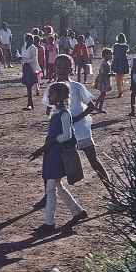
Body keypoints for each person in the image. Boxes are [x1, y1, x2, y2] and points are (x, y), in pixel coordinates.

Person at [34, 54, 109, 209]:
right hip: (62, 134)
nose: (61, 70)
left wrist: (75, 118)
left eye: (65, 67)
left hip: (81, 130)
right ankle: (47, 196)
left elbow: (91, 106)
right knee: (50, 163)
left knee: (94, 161)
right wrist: (56, 120)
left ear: (71, 68)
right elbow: (49, 110)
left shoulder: (76, 86)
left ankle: (113, 191)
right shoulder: (51, 88)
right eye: (58, 66)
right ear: (55, 68)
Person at [28, 82, 87, 235]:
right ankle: (77, 211)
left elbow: (67, 135)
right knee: (57, 186)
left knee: (51, 188)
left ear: (60, 96)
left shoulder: (65, 114)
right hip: (52, 153)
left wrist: (51, 143)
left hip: (58, 154)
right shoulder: (57, 113)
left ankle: (49, 223)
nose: (49, 96)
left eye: (52, 94)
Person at [20, 33, 41, 111]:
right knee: (28, 86)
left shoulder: (33, 48)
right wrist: (21, 59)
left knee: (29, 85)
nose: (30, 40)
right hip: (25, 67)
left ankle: (30, 103)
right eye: (28, 39)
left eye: (31, 39)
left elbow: (34, 59)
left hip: (32, 68)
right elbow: (23, 56)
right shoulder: (23, 47)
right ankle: (30, 103)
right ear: (26, 40)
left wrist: (26, 60)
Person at [111, 34, 130, 98]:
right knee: (121, 76)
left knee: (117, 77)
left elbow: (113, 53)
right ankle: (121, 89)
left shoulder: (115, 46)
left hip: (116, 62)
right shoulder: (126, 46)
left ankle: (120, 91)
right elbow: (126, 52)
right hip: (123, 62)